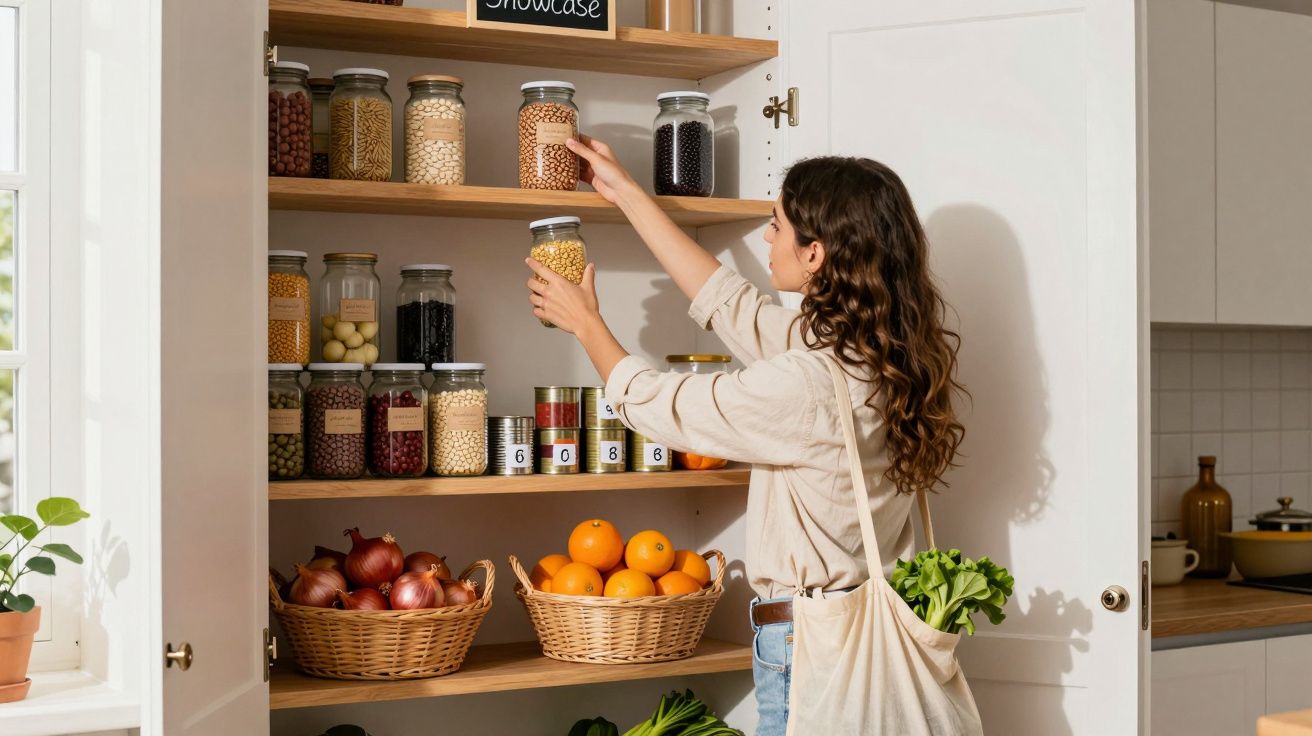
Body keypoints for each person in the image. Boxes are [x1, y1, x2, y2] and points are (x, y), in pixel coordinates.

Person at [526, 136, 966, 735]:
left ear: (815, 253)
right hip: (862, 629)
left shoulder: (810, 383)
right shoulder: (879, 360)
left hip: (810, 647)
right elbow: (733, 306)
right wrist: (624, 191)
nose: (766, 237)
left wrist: (587, 324)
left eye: (776, 225)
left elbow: (664, 406)